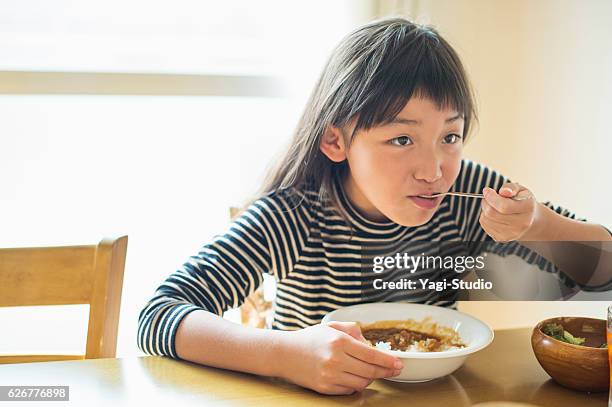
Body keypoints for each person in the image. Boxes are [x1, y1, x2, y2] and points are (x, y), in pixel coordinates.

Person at [137, 17, 612, 395]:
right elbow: (158, 315)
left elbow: (603, 274)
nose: (434, 169)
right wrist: (286, 355)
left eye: (450, 136)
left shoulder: (468, 194)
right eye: (401, 138)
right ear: (335, 140)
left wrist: (534, 224)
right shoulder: (294, 214)